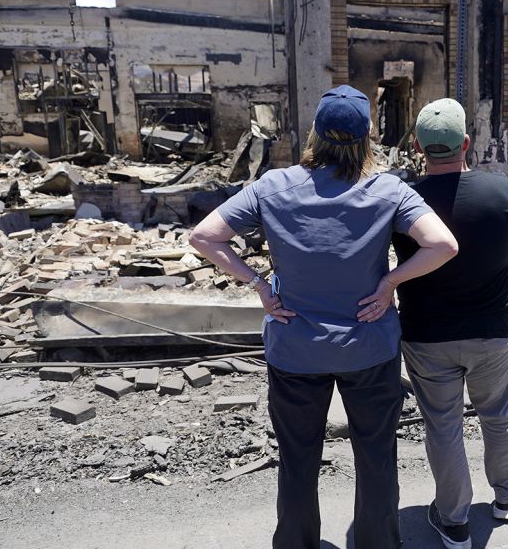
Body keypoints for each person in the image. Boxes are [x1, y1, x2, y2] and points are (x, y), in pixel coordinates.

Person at [189, 85, 459, 549]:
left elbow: (204, 237)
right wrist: (391, 282)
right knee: (376, 458)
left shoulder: (273, 186)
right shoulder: (387, 188)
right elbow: (443, 245)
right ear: (367, 137)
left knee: (297, 461)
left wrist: (257, 284)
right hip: (368, 348)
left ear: (314, 133)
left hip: (294, 349)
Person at [391, 99, 508, 549]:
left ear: (417, 147)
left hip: (428, 338)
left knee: (443, 426)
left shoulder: (404, 201)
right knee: (497, 413)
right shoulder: (499, 191)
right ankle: (506, 497)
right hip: (492, 332)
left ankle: (453, 522)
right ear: (466, 143)